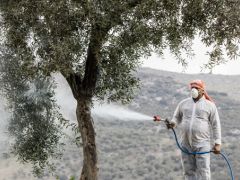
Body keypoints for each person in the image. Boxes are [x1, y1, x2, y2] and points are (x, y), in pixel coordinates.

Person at [168, 79, 221, 180]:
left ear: (202, 90)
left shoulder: (210, 105)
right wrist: (172, 123)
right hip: (185, 144)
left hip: (202, 144)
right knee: (188, 171)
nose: (193, 90)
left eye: (196, 88)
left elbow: (216, 124)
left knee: (204, 171)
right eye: (192, 88)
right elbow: (176, 117)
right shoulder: (183, 103)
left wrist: (217, 143)